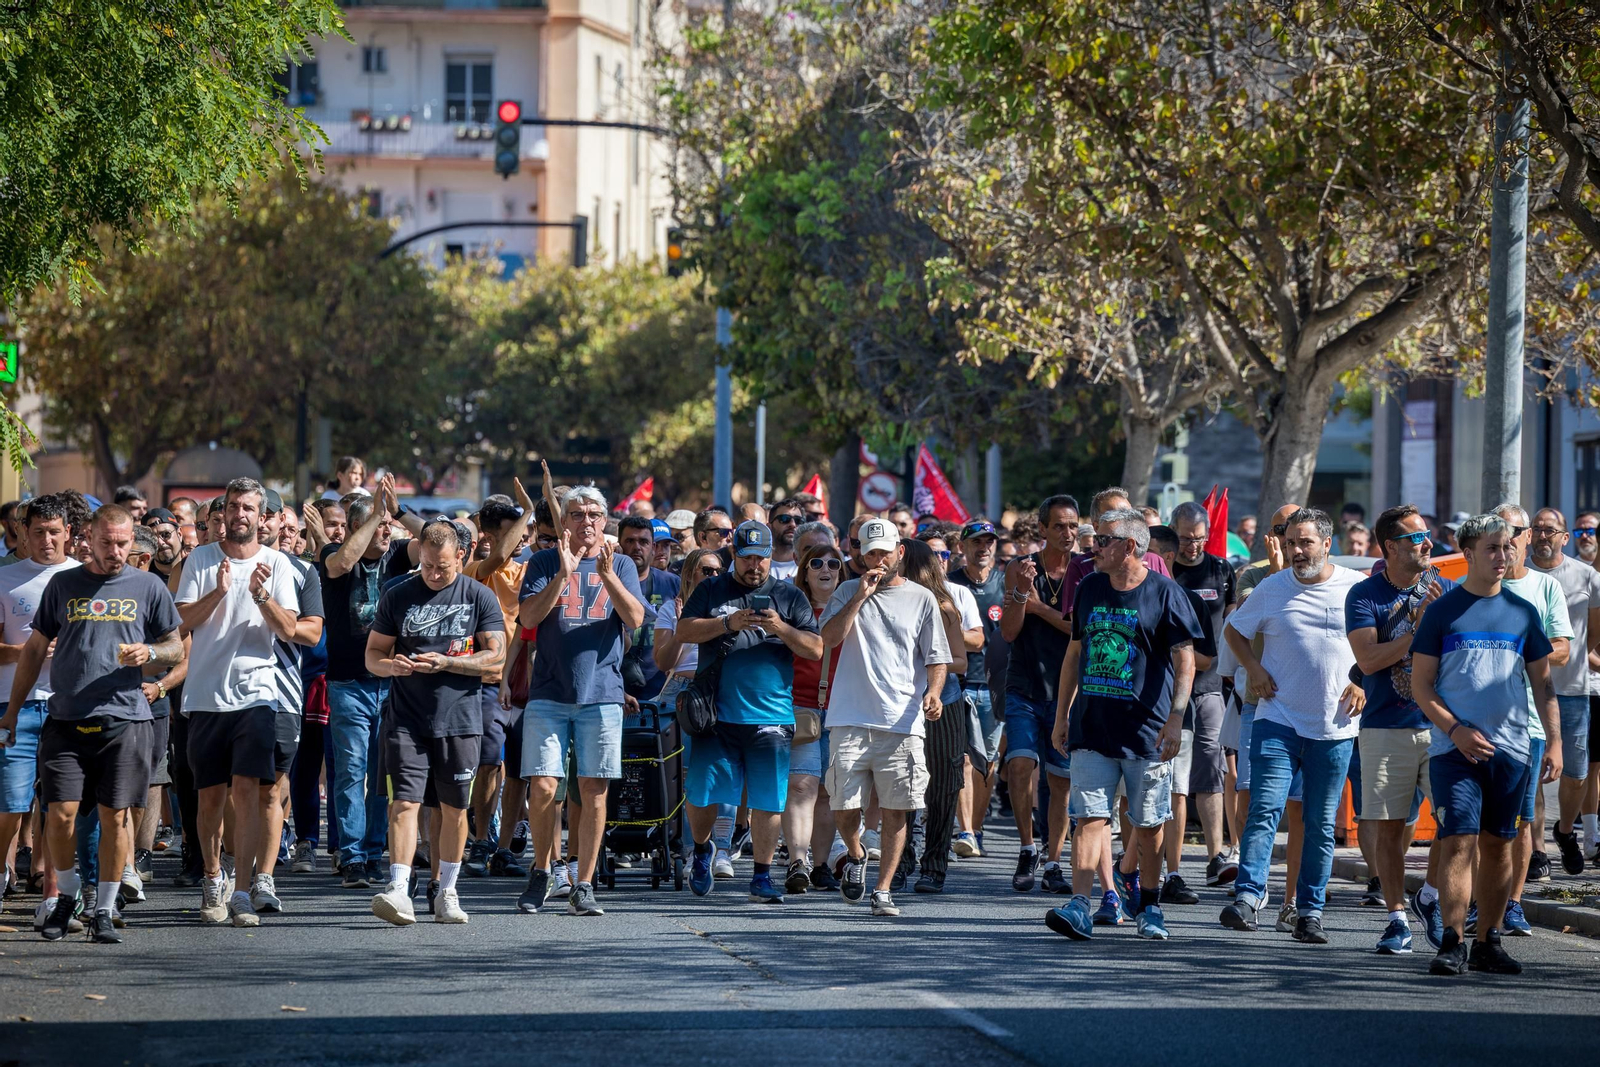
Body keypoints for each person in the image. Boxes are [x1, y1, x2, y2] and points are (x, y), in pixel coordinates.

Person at [3, 505, 183, 943]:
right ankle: (66, 895)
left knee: (114, 816)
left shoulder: (147, 587)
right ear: (87, 538)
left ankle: (104, 906)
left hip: (124, 720)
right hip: (66, 718)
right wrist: (12, 710)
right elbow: (33, 650)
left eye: (124, 543)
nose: (116, 551)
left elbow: (175, 648)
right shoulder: (64, 585)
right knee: (59, 816)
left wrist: (151, 655)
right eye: (107, 543)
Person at [1410, 513, 1561, 976]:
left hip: (1513, 749)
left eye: (1507, 547)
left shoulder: (1522, 613)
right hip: (1454, 751)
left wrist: (1554, 742)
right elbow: (1422, 686)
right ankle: (1451, 941)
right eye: (1492, 548)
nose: (1503, 555)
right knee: (1458, 841)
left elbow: (1544, 685)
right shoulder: (1442, 611)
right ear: (1469, 553)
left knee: (1500, 846)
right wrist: (1454, 730)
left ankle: (1488, 941)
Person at [1045, 508, 1203, 941]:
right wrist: (1062, 715)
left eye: (1101, 540)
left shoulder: (1167, 594)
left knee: (1148, 824)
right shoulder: (1092, 586)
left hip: (1147, 731)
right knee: (1089, 817)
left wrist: (1176, 717)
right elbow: (1075, 653)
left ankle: (1150, 906)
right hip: (1092, 728)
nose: (1091, 548)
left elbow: (1185, 661)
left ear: (1129, 547)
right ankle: (1080, 904)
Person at [1220, 507, 1364, 944]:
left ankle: (1309, 911)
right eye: (1290, 542)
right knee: (1264, 810)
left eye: (1305, 542)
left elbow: (1375, 645)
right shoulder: (1271, 587)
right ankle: (1248, 898)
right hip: (1277, 720)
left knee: (1320, 824)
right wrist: (1253, 668)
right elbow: (1234, 631)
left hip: (1334, 728)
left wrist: (1362, 682)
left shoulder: (1355, 589)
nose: (1297, 551)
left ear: (1326, 543)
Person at [176, 478, 315, 927]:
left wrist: (260, 595)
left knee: (248, 794)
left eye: (249, 508)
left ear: (262, 516)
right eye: (233, 507)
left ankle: (241, 890)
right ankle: (212, 878)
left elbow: (291, 630)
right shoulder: (200, 558)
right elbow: (181, 623)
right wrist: (217, 592)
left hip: (257, 694)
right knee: (210, 797)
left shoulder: (276, 563)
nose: (240, 514)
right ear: (224, 513)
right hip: (205, 694)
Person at [366, 522, 507, 926]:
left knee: (454, 809)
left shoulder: (479, 595)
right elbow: (373, 654)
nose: (433, 574)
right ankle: (398, 888)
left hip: (460, 718)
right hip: (406, 717)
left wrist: (449, 663)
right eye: (427, 565)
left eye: (442, 567)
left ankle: (447, 890)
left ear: (461, 557)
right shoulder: (398, 594)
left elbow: (495, 655)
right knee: (404, 802)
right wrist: (389, 665)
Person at [516, 486, 646, 917]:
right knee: (544, 786)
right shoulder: (543, 561)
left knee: (593, 789)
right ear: (564, 521)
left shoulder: (622, 563)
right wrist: (563, 573)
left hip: (602, 695)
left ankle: (584, 882)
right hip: (550, 693)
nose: (585, 522)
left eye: (593, 514)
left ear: (605, 520)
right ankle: (542, 869)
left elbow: (636, 619)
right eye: (576, 514)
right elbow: (529, 618)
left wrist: (607, 575)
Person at [676, 520, 821, 903]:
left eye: (760, 558)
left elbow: (815, 648)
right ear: (733, 557)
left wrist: (781, 629)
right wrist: (726, 623)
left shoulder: (790, 597)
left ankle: (760, 875)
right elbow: (684, 630)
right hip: (716, 716)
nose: (753, 566)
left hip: (771, 716)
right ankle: (704, 848)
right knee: (703, 795)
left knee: (767, 801)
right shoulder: (711, 588)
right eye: (746, 558)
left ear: (771, 557)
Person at [820, 518, 951, 917]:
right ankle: (856, 855)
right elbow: (828, 639)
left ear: (900, 552)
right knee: (843, 806)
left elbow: (937, 657)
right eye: (869, 553)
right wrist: (860, 596)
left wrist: (933, 692)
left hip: (903, 721)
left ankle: (882, 889)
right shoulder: (846, 590)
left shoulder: (922, 598)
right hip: (849, 718)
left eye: (884, 552)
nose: (877, 560)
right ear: (859, 555)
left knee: (898, 809)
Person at [1345, 504, 1451, 954]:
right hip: (1386, 725)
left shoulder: (1445, 590)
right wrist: (1419, 631)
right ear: (1389, 547)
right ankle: (1395, 918)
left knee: (1457, 825)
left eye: (1426, 535)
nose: (1426, 543)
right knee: (1388, 829)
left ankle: (1429, 894)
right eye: (1415, 538)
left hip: (1442, 725)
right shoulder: (1365, 595)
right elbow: (1368, 661)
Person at [319, 479, 418, 888]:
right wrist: (375, 512)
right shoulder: (331, 553)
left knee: (383, 774)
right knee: (350, 771)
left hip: (391, 685)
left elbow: (432, 539)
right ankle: (353, 856)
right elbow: (342, 564)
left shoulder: (397, 552)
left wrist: (397, 511)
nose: (385, 532)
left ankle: (374, 851)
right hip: (348, 684)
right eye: (377, 525)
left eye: (387, 526)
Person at [0, 496, 81, 926]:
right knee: (11, 806)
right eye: (38, 532)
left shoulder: (83, 578)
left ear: (68, 532)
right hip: (14, 706)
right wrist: (26, 650)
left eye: (55, 532)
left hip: (68, 708)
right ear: (22, 532)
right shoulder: (5, 579)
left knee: (58, 806)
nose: (47, 541)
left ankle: (53, 894)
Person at [1491, 503, 1570, 912]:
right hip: (1477, 723)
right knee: (1478, 822)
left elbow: (1562, 649)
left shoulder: (1544, 588)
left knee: (1522, 821)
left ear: (1526, 537)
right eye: (1496, 533)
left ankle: (1514, 904)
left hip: (1528, 722)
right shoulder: (1476, 586)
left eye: (1512, 533)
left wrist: (1518, 653)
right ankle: (1477, 901)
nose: (1504, 542)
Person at [998, 494, 1080, 894]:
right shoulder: (1020, 567)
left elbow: (1078, 629)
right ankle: (1028, 847)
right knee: (1019, 764)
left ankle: (1053, 860)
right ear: (1043, 530)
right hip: (1024, 684)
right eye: (1060, 526)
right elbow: (1009, 631)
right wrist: (1021, 594)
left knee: (1059, 779)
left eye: (1073, 526)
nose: (1068, 533)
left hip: (1067, 690)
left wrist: (1040, 609)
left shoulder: (1086, 570)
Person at [462, 482, 536, 878]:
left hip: (529, 685)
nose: (523, 537)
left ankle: (505, 848)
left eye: (526, 529)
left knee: (522, 772)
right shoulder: (478, 570)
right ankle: (480, 841)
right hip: (489, 683)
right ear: (489, 535)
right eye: (516, 530)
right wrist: (525, 509)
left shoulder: (530, 568)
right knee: (490, 765)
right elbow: (501, 554)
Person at [1165, 501, 1237, 897]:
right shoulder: (1163, 568)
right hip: (1169, 682)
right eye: (1184, 538)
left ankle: (1215, 856)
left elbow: (1229, 622)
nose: (1191, 546)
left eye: (1198, 538)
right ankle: (1157, 857)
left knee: (1211, 761)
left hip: (1209, 682)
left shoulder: (1221, 569)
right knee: (1171, 769)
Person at [1525, 508, 1600, 877]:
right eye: (1536, 529)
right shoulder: (1515, 575)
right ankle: (1538, 851)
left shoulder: (1587, 576)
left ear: (1564, 538)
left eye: (1550, 530)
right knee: (1535, 767)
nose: (1542, 536)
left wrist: (1575, 659)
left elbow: (1594, 632)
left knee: (1577, 773)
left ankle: (1566, 830)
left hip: (1572, 687)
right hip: (1526, 690)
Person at [906, 539, 982, 894]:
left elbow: (962, 662)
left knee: (941, 787)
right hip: (900, 702)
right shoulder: (892, 600)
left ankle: (934, 864)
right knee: (902, 783)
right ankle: (904, 856)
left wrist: (927, 660)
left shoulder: (944, 605)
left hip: (944, 702)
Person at [781, 542, 845, 892]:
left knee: (828, 792)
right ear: (804, 571)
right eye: (817, 563)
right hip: (800, 706)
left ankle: (821, 866)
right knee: (801, 785)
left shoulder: (853, 608)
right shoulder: (791, 607)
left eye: (834, 564)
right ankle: (798, 862)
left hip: (841, 710)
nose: (826, 569)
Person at [947, 520, 1009, 858]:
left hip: (996, 685)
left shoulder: (1004, 583)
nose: (983, 548)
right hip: (958, 681)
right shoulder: (949, 585)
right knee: (965, 760)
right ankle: (966, 830)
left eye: (989, 542)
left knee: (989, 763)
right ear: (962, 547)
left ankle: (978, 828)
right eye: (976, 542)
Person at [617, 515, 675, 704]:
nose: (637, 547)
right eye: (630, 541)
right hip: (614, 690)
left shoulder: (673, 584)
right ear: (619, 545)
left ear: (653, 548)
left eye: (643, 542)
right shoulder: (605, 582)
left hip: (661, 692)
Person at [767, 497, 805, 581]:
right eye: (784, 519)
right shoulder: (752, 561)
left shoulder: (810, 566)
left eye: (798, 521)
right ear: (769, 527)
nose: (792, 524)